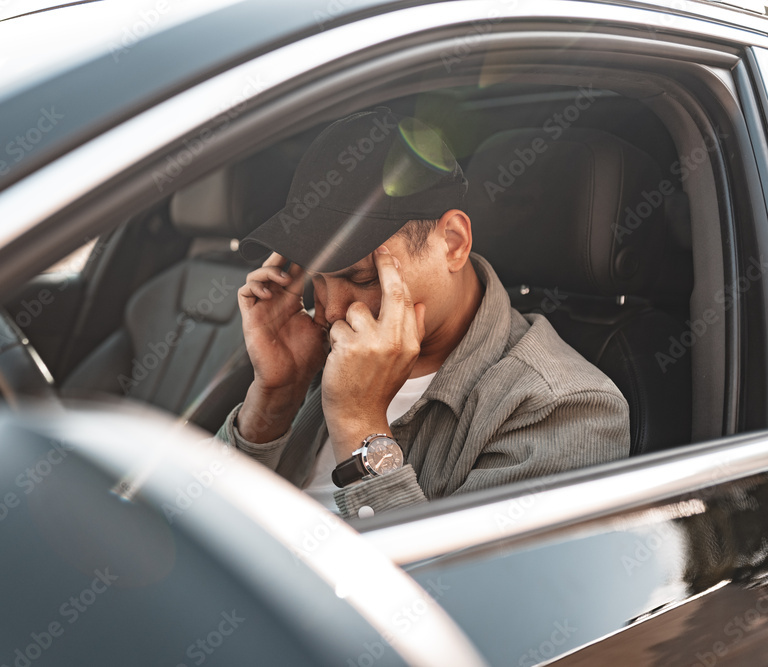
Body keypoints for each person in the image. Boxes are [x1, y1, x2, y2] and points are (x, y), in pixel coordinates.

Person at [215, 108, 630, 518]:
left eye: (362, 279)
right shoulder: (314, 351)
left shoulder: (563, 408)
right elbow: (194, 526)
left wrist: (360, 424)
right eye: (317, 280)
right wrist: (276, 398)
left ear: (452, 242)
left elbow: (455, 585)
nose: (332, 312)